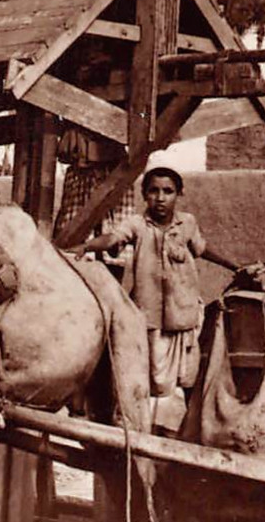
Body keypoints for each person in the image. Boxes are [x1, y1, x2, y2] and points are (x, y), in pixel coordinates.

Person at [78, 166, 240, 431]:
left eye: (168, 191)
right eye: (154, 191)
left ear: (179, 194)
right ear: (144, 195)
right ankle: (151, 433)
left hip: (183, 317)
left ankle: (177, 432)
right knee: (155, 381)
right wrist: (86, 246)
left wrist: (233, 265)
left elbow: (202, 248)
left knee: (184, 378)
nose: (161, 198)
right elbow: (113, 238)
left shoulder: (187, 223)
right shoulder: (137, 224)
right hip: (150, 320)